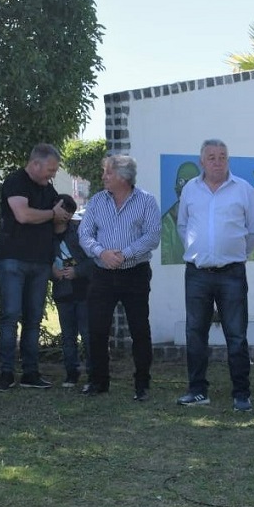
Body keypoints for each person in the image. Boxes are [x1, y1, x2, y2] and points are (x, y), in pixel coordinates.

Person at [175, 139, 254, 411]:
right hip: (197, 273)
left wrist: (233, 254)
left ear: (228, 160)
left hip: (232, 273)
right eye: (211, 157)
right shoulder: (190, 189)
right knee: (195, 333)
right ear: (202, 161)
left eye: (222, 156)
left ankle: (241, 394)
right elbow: (182, 225)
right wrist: (198, 250)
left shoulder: (243, 189)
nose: (217, 161)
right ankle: (198, 391)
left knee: (236, 335)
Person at [78, 155, 161, 401]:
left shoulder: (146, 201)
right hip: (102, 274)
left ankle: (142, 384)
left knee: (139, 330)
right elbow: (84, 234)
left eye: (108, 173)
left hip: (135, 273)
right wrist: (101, 252)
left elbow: (152, 236)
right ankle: (98, 382)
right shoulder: (96, 201)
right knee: (97, 329)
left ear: (123, 177)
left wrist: (123, 255)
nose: (103, 177)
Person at [0, 143, 72, 391]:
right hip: (13, 260)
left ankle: (30, 372)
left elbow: (58, 222)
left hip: (40, 262)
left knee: (34, 319)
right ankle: (6, 373)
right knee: (10, 315)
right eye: (50, 169)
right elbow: (23, 215)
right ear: (35, 164)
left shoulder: (48, 189)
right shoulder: (15, 181)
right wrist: (51, 213)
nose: (52, 174)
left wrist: (59, 218)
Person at [51, 194, 94, 388]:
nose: (66, 214)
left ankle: (94, 373)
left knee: (88, 335)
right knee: (68, 337)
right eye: (64, 209)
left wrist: (77, 271)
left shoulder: (78, 231)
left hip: (84, 291)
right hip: (63, 293)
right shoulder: (44, 235)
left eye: (70, 211)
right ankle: (71, 373)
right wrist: (53, 272)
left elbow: (94, 259)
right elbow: (41, 263)